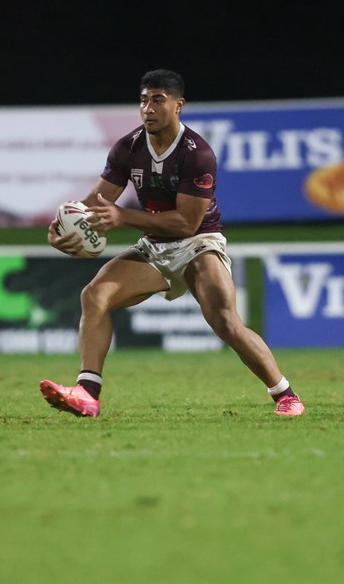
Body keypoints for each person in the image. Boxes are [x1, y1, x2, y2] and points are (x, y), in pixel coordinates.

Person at [39, 69, 304, 417]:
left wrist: (124, 216)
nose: (148, 108)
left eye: (157, 100)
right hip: (155, 248)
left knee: (225, 322)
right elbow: (97, 202)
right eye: (143, 100)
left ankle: (286, 395)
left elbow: (186, 222)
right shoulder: (128, 148)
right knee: (94, 296)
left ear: (178, 105)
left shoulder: (198, 154)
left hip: (199, 244)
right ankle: (88, 394)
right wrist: (65, 226)